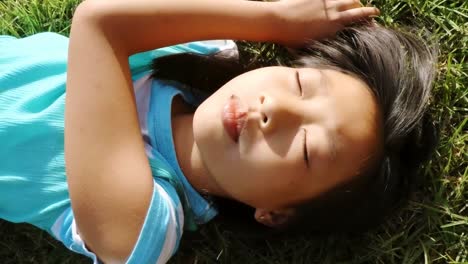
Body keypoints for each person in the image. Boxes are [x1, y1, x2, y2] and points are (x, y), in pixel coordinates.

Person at [0, 0, 438, 263]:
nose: (274, 109)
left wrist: (271, 21)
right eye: (301, 84)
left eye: (305, 148)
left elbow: (100, 21)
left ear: (275, 213)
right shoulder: (199, 50)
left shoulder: (144, 226)